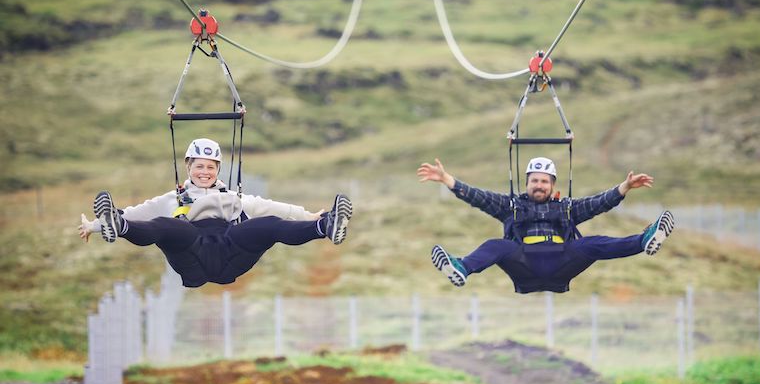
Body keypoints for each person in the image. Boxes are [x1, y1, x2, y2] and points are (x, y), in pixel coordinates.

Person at [78, 138, 353, 288]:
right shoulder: (171, 198)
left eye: (211, 167)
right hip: (191, 256)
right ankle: (118, 228)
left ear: (218, 169)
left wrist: (310, 217)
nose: (205, 173)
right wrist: (96, 226)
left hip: (229, 256)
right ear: (188, 167)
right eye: (199, 166)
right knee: (170, 226)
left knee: (266, 223)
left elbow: (275, 208)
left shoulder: (234, 198)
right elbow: (137, 214)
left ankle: (327, 227)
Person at [417, 157, 674, 294]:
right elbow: (478, 196)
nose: (539, 185)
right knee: (498, 246)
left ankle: (645, 240)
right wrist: (447, 179)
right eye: (534, 181)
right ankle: (462, 268)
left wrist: (625, 187)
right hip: (525, 265)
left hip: (561, 263)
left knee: (591, 244)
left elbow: (599, 203)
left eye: (544, 181)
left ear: (552, 185)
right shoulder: (511, 206)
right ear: (526, 183)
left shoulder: (567, 208)